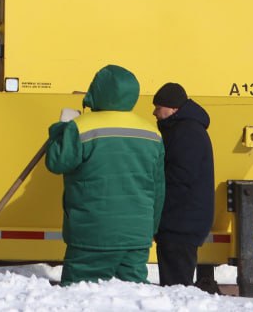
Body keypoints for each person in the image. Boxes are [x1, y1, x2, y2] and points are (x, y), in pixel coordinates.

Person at [45, 64, 164, 284]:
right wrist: (149, 229)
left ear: (97, 90)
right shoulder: (152, 133)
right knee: (133, 299)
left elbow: (56, 162)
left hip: (91, 234)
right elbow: (157, 189)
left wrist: (60, 129)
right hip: (136, 237)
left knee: (81, 297)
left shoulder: (80, 127)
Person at [151, 82, 217, 291]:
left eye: (158, 107)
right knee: (176, 285)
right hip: (182, 222)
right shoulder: (184, 129)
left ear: (173, 108)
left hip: (180, 224)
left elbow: (179, 177)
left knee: (176, 288)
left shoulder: (186, 132)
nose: (155, 112)